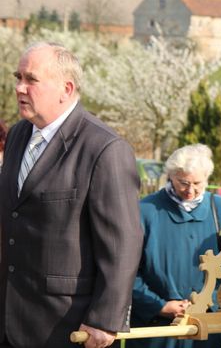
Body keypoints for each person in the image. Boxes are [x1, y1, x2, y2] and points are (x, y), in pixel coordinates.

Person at [0, 42, 143, 348]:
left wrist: (105, 318)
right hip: (9, 319)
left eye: (31, 79)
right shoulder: (17, 135)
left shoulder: (104, 148)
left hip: (65, 327)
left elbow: (123, 242)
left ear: (66, 88)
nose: (20, 87)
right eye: (18, 77)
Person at [130, 143, 221, 348]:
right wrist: (160, 305)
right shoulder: (145, 211)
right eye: (183, 182)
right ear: (171, 175)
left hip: (206, 324)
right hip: (156, 329)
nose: (190, 190)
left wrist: (208, 301)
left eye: (197, 183)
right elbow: (127, 271)